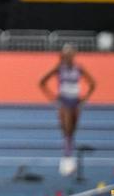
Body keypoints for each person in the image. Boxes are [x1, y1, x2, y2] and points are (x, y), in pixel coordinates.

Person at [39, 44, 96, 176]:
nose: (69, 57)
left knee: (72, 131)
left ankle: (70, 159)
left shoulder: (79, 68)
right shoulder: (59, 68)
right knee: (66, 130)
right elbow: (42, 82)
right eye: (67, 55)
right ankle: (66, 160)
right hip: (64, 101)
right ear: (63, 56)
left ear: (74, 55)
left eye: (71, 54)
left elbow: (92, 83)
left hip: (75, 101)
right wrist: (52, 97)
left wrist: (85, 98)